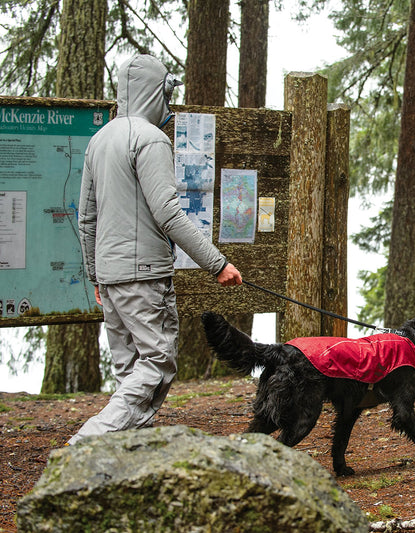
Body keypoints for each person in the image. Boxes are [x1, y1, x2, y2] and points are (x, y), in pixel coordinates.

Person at [69, 54, 242, 445]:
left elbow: (86, 221)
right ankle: (87, 443)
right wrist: (217, 264)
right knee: (157, 362)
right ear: (157, 91)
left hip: (111, 280)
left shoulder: (99, 141)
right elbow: (168, 213)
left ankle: (124, 456)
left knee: (130, 370)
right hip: (145, 277)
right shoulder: (151, 140)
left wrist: (96, 275)